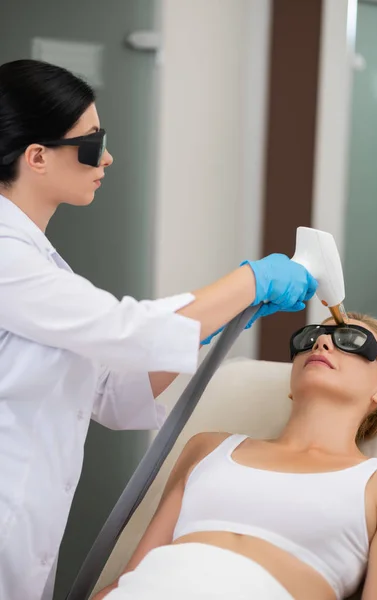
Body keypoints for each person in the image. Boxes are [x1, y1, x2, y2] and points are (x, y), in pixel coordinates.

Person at [0, 58, 318, 600]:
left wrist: (208, 330)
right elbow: (126, 329)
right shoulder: (7, 255)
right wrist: (250, 280)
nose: (108, 158)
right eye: (91, 143)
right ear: (37, 157)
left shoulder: (39, 262)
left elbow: (111, 392)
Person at [94, 312, 377, 600]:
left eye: (352, 341)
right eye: (309, 338)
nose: (322, 343)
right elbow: (128, 578)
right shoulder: (208, 448)